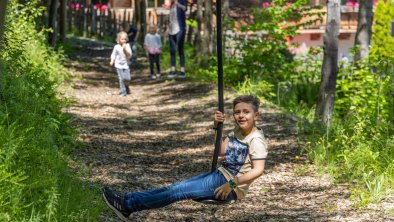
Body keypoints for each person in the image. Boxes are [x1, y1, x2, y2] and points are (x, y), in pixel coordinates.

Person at [102, 95, 268, 221]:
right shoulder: (237, 131)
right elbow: (220, 152)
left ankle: (128, 205)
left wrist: (230, 185)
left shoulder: (256, 139)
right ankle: (128, 200)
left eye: (246, 112)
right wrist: (217, 127)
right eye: (237, 112)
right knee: (175, 187)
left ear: (256, 115)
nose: (241, 116)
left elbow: (258, 171)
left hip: (229, 186)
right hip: (219, 175)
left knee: (177, 191)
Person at [167, 0, 187, 79]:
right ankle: (173, 70)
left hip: (180, 29)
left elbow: (185, 9)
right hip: (171, 30)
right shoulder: (171, 5)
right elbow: (170, 19)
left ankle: (182, 71)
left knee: (180, 50)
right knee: (172, 50)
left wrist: (178, 4)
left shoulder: (182, 1)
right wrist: (167, 29)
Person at [110, 31, 132, 96]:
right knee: (121, 78)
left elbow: (130, 55)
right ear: (118, 39)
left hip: (126, 65)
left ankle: (126, 86)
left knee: (127, 78)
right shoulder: (116, 47)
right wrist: (112, 61)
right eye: (122, 39)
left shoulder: (127, 46)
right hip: (118, 65)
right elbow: (113, 54)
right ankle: (123, 92)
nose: (124, 41)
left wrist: (125, 50)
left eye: (125, 39)